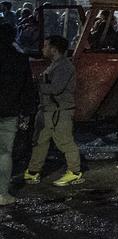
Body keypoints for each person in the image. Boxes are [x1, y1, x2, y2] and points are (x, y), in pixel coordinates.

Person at [23, 36, 84, 186]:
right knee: (39, 142)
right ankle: (32, 172)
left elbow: (56, 89)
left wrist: (35, 86)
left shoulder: (64, 66)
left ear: (54, 49)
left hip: (59, 112)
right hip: (48, 111)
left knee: (65, 143)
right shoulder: (55, 65)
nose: (43, 49)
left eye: (45, 46)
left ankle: (75, 172)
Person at [0, 23, 35, 205]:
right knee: (5, 153)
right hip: (9, 112)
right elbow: (27, 90)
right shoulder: (20, 60)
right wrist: (27, 113)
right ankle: (2, 194)